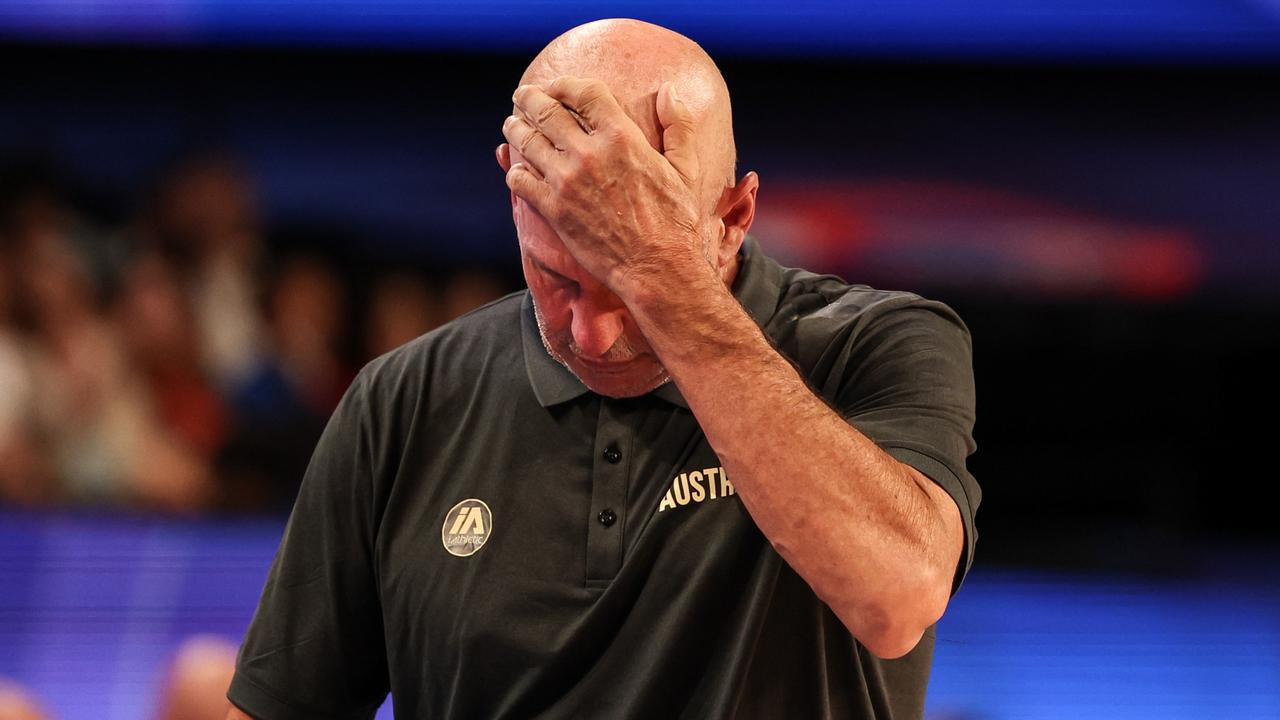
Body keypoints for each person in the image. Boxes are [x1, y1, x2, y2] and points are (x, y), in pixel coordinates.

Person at [227, 18, 978, 720]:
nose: (591, 335)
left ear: (734, 218)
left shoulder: (876, 343)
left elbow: (897, 599)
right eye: (558, 277)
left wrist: (662, 272)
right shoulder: (402, 400)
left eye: (627, 290)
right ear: (515, 185)